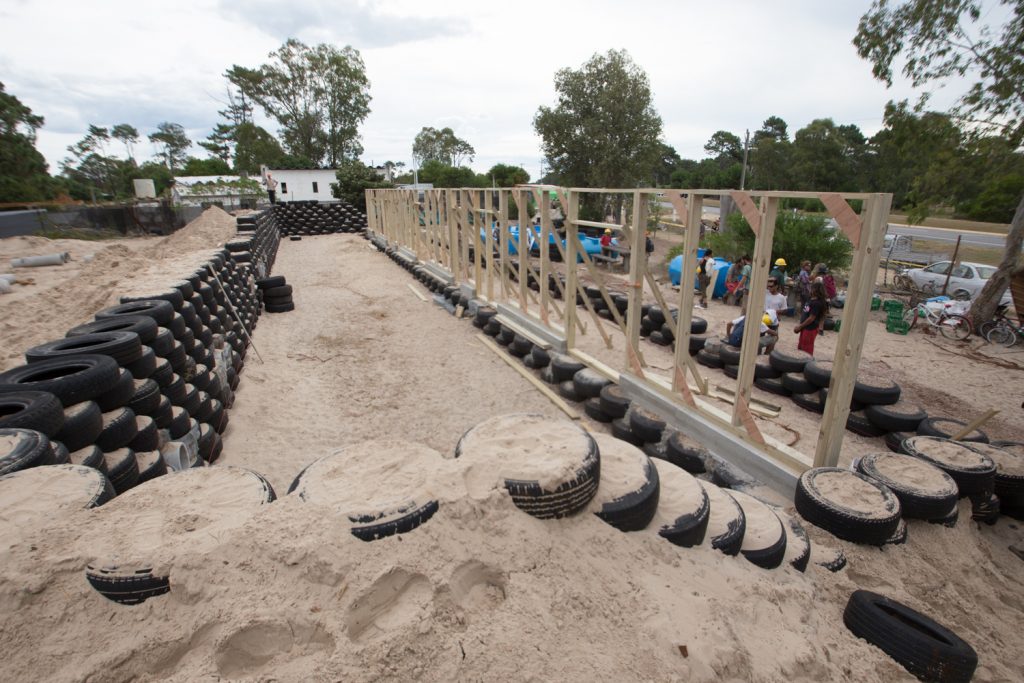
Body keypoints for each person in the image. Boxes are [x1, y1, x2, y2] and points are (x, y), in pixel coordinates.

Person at [795, 280, 828, 355]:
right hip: (805, 327)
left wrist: (800, 326)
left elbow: (811, 318)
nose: (810, 289)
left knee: (806, 349)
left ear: (815, 290)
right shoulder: (811, 299)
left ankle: (807, 363)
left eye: (811, 288)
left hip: (810, 328)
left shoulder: (817, 303)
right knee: (801, 346)